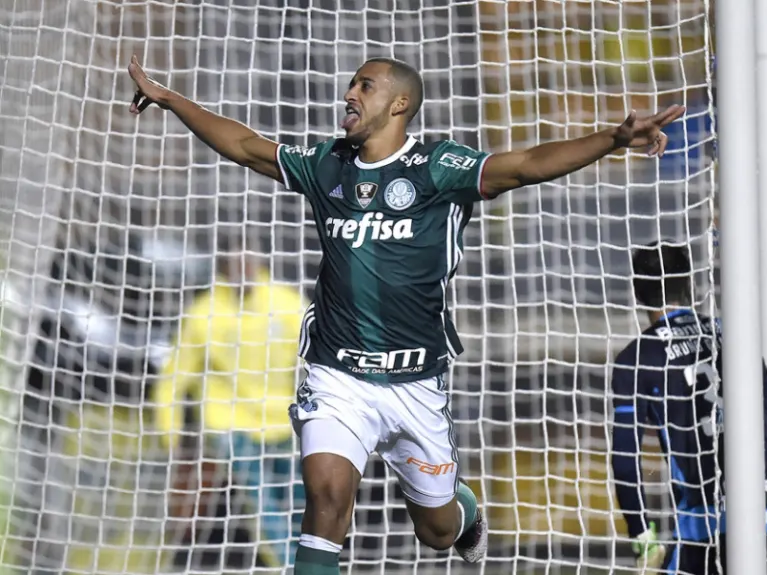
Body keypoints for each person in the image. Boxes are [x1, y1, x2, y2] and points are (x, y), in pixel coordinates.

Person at [128, 53, 685, 573]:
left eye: (363, 86)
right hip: (337, 374)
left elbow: (527, 165)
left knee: (437, 532)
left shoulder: (438, 168)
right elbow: (249, 146)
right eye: (351, 84)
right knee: (325, 497)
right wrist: (174, 100)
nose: (349, 94)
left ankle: (462, 509)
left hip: (416, 381)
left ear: (399, 103)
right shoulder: (328, 164)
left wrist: (612, 139)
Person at [610, 242, 767, 575]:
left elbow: (625, 465)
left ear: (637, 293)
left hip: (707, 538)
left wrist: (642, 538)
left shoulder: (636, 359)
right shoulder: (735, 335)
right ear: (690, 285)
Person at [152, 230, 307, 570]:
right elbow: (173, 379)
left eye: (248, 259)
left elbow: (317, 362)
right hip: (230, 425)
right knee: (263, 504)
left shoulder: (288, 305)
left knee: (304, 505)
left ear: (260, 261)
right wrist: (171, 433)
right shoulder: (204, 313)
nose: (243, 268)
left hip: (282, 423)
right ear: (223, 266)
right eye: (235, 261)